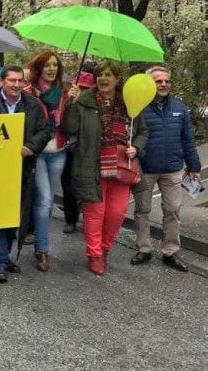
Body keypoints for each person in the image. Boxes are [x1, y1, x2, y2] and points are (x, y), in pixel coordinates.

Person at [61, 62, 148, 275]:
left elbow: (142, 131)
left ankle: (105, 248)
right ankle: (94, 254)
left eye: (108, 75)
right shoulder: (84, 100)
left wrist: (135, 147)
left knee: (117, 213)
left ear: (117, 79)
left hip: (122, 167)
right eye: (99, 75)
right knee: (95, 212)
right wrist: (71, 102)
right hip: (92, 165)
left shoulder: (130, 102)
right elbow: (69, 128)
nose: (103, 79)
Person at [0, 65, 52, 283]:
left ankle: (3, 257)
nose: (16, 85)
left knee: (14, 216)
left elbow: (46, 130)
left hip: (22, 169)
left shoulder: (33, 105)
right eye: (11, 80)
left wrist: (31, 146)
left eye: (20, 81)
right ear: (1, 81)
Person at [131, 66, 200, 272]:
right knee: (142, 210)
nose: (163, 84)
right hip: (146, 168)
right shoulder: (138, 107)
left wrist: (194, 166)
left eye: (166, 81)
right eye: (158, 81)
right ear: (149, 83)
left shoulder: (180, 107)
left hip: (172, 168)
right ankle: (143, 248)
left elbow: (188, 139)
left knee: (172, 210)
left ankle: (170, 251)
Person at [24, 51, 75, 272]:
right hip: (37, 152)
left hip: (59, 150)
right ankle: (42, 250)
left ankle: (38, 239)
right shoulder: (28, 92)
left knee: (47, 201)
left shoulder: (66, 92)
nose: (52, 69)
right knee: (45, 200)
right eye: (47, 65)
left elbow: (71, 127)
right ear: (39, 68)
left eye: (55, 65)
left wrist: (73, 103)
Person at [61, 61, 96, 234]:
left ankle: (84, 218)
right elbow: (66, 124)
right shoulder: (70, 95)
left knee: (86, 184)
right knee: (68, 186)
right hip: (71, 146)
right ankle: (71, 219)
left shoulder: (97, 98)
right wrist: (71, 102)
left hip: (88, 147)